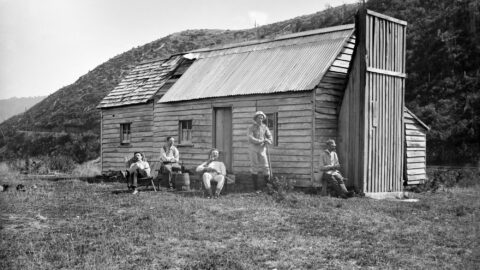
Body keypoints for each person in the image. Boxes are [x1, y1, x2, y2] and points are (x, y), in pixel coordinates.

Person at [247, 111, 272, 192]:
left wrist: (268, 140)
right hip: (253, 148)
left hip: (262, 148)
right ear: (255, 118)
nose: (260, 119)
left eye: (261, 118)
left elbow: (270, 136)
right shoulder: (251, 127)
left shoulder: (265, 127)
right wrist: (260, 141)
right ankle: (256, 188)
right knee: (254, 166)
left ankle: (267, 187)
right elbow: (250, 137)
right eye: (258, 118)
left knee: (266, 166)